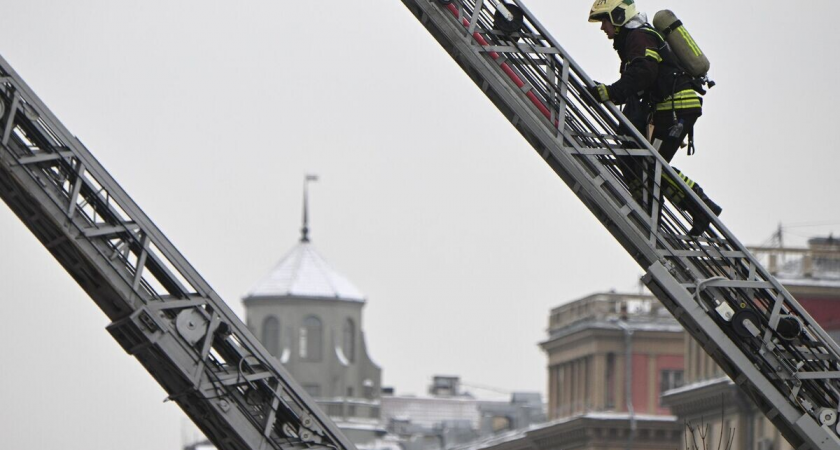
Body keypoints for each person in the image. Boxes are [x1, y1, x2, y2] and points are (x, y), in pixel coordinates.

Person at [586, 0, 721, 237]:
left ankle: (701, 207)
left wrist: (612, 92)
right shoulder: (635, 39)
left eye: (604, 20)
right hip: (671, 107)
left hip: (677, 107)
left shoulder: (638, 37)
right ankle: (659, 210)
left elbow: (644, 73)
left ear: (618, 17)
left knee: (652, 164)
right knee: (645, 163)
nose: (602, 28)